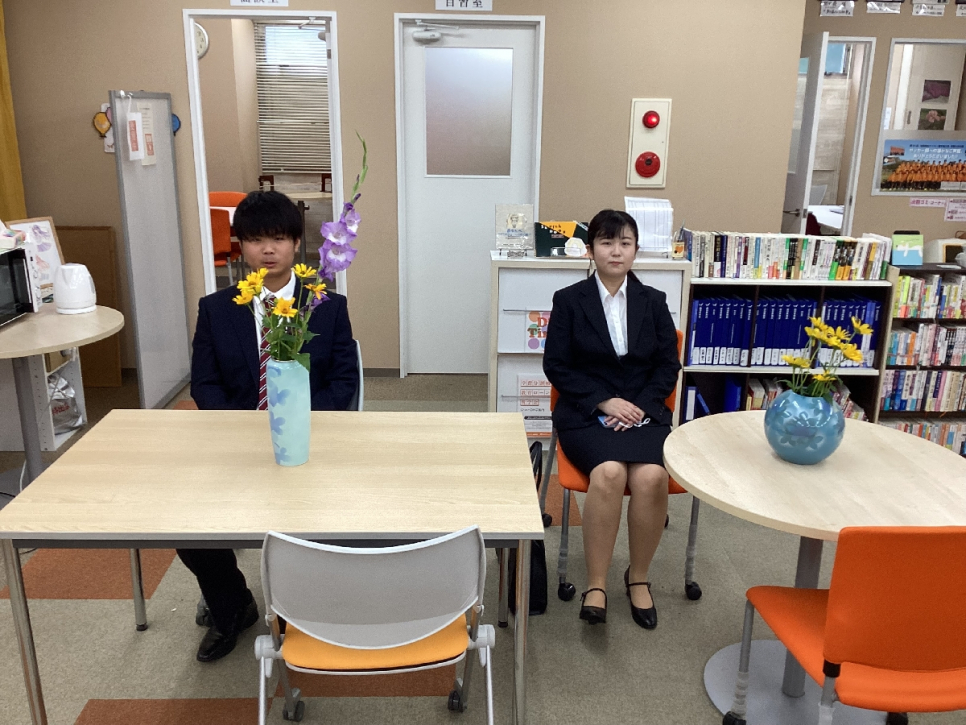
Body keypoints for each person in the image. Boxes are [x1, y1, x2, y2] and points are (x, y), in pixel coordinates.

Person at [179, 190, 358, 662]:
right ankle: (232, 606)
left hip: (308, 442)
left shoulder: (326, 305)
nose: (268, 250)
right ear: (241, 246)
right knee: (187, 527)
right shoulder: (217, 308)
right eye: (256, 240)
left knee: (310, 525)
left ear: (297, 243)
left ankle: (307, 610)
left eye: (278, 238)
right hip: (237, 442)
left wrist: (295, 424)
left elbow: (343, 383)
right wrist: (245, 429)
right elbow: (204, 384)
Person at [543, 209, 680, 630]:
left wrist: (638, 406)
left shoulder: (653, 301)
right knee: (608, 473)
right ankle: (597, 584)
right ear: (590, 250)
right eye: (606, 242)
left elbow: (667, 366)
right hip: (586, 411)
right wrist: (604, 402)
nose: (616, 251)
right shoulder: (569, 300)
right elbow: (557, 366)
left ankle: (638, 577)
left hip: (643, 410)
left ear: (635, 250)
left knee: (652, 477)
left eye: (625, 243)